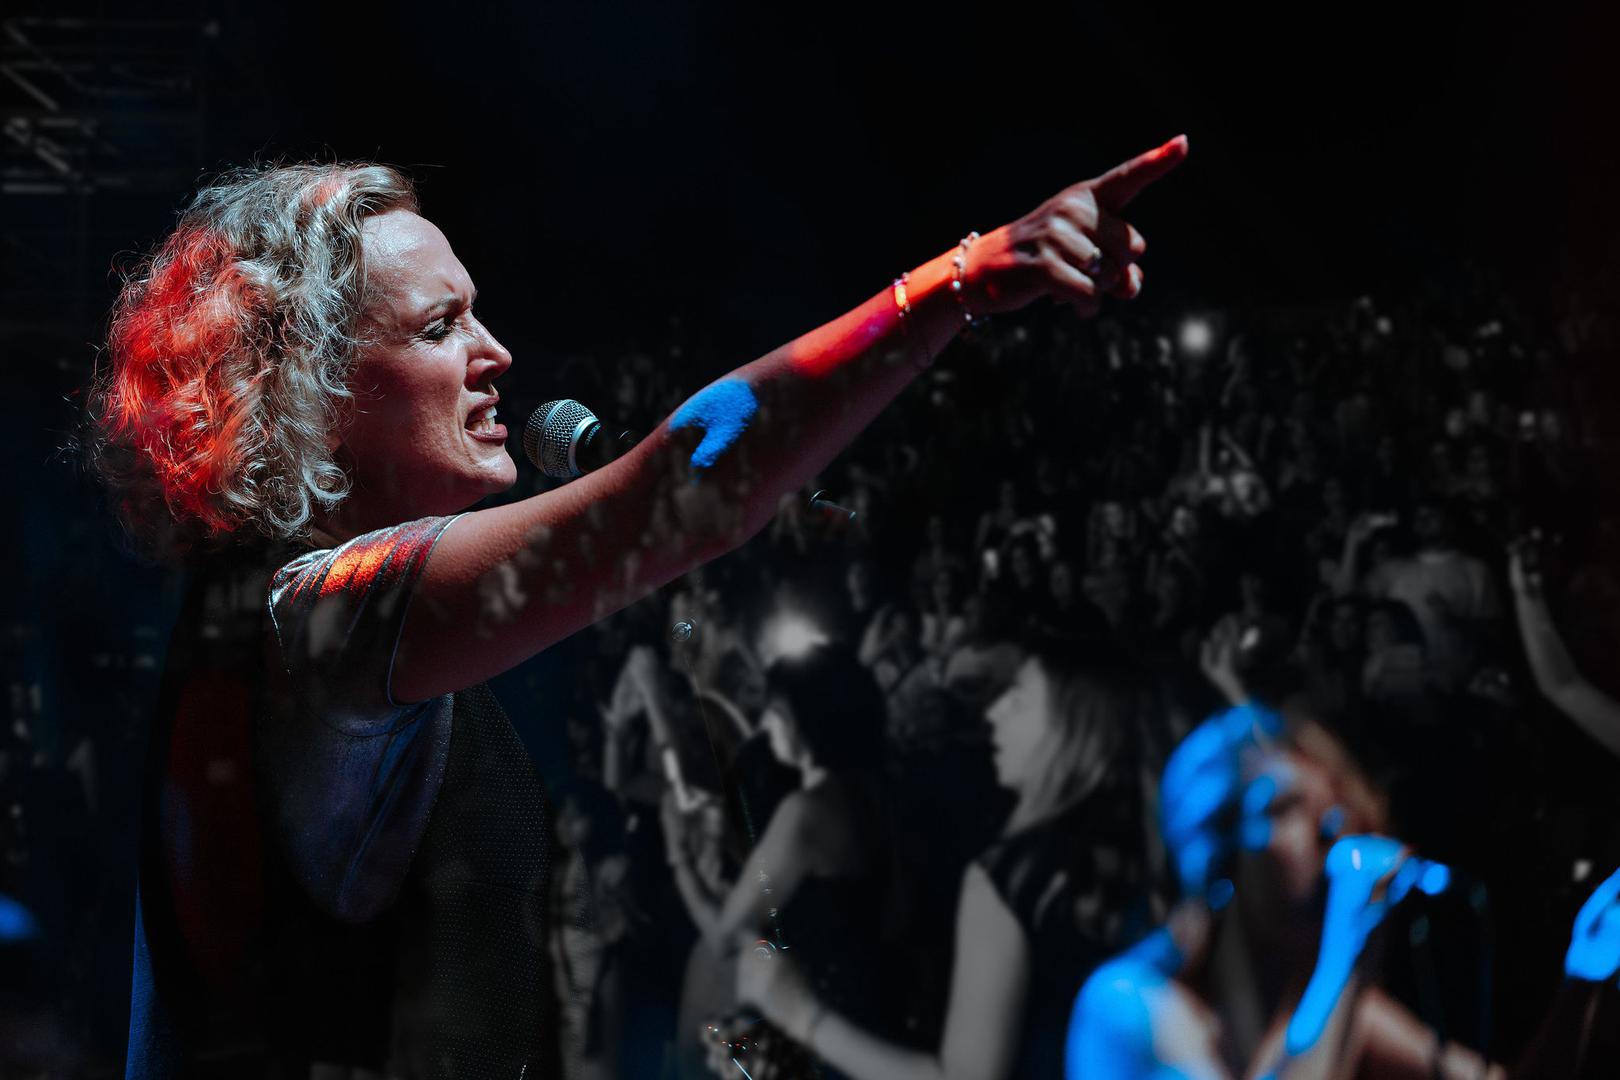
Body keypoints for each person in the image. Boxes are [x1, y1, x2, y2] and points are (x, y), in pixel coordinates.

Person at [88, 138, 1190, 1076]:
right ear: (308, 395)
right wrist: (957, 281)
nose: (495, 354)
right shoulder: (311, 625)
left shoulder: (303, 631)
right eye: (439, 327)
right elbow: (687, 488)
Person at [737, 637, 1154, 1079]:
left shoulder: (1009, 880)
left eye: (1019, 699)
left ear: (1071, 731)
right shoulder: (1134, 855)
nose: (994, 712)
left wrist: (801, 1014)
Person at [663, 644, 907, 1079]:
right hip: (866, 1011)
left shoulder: (806, 812)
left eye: (776, 711)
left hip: (813, 1025)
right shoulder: (875, 792)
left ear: (809, 721)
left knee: (707, 1027)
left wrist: (677, 852)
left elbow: (723, 936)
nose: (765, 724)